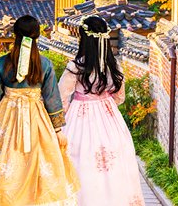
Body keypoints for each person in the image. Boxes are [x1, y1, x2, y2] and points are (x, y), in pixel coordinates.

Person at [0, 15, 80, 206]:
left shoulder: (2, 63)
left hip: (7, 117)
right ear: (37, 37)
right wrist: (57, 130)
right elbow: (51, 98)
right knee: (38, 162)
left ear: (15, 35)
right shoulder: (45, 63)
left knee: (6, 163)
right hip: (37, 118)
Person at [58, 15, 144, 206]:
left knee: (80, 161)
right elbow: (119, 97)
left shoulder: (76, 66)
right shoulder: (113, 65)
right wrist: (105, 103)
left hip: (80, 116)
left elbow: (62, 98)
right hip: (109, 116)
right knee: (115, 165)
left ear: (84, 38)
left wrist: (61, 120)